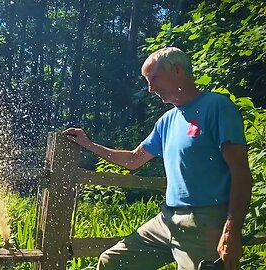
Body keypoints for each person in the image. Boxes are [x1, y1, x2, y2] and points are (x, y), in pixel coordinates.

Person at [64, 47, 252, 270]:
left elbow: (241, 172)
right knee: (112, 262)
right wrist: (88, 144)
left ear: (177, 70)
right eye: (147, 81)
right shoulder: (166, 121)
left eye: (154, 78)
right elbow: (133, 160)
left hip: (206, 222)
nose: (150, 89)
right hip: (166, 220)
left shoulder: (217, 107)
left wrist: (231, 230)